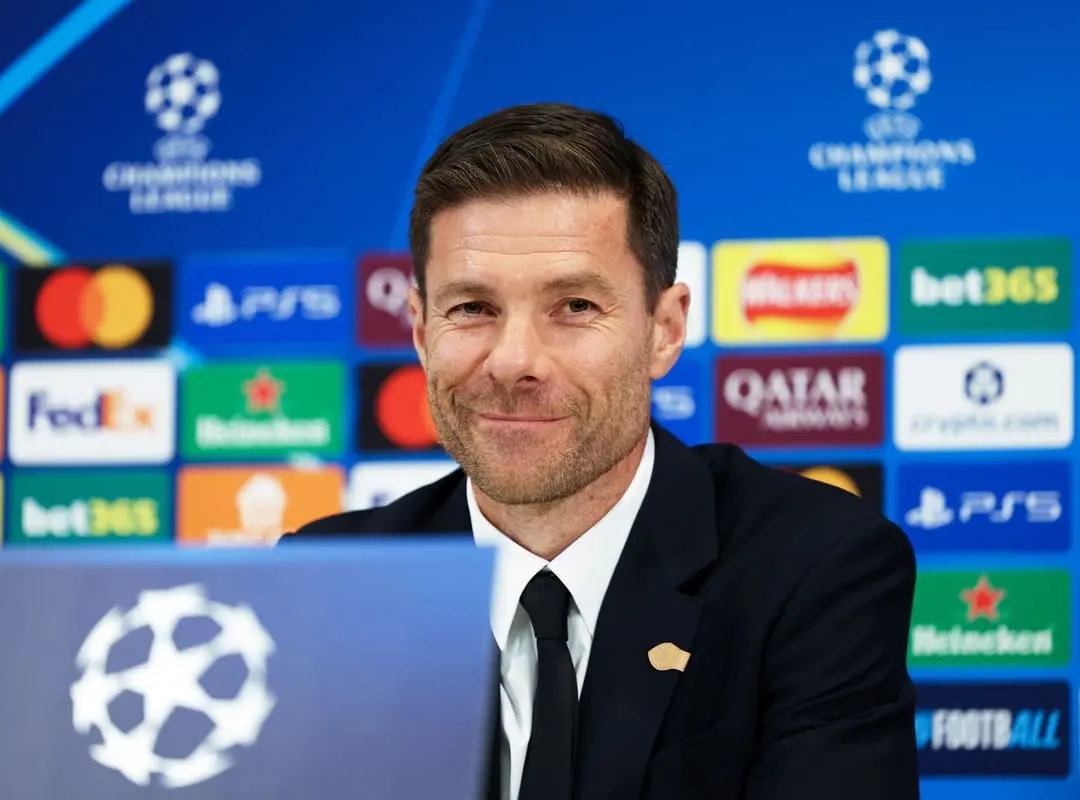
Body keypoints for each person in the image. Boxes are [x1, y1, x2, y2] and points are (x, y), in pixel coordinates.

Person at [297, 102, 919, 800]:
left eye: (575, 307)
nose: (513, 362)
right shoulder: (329, 588)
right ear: (419, 330)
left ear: (665, 329)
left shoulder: (815, 567)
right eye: (472, 307)